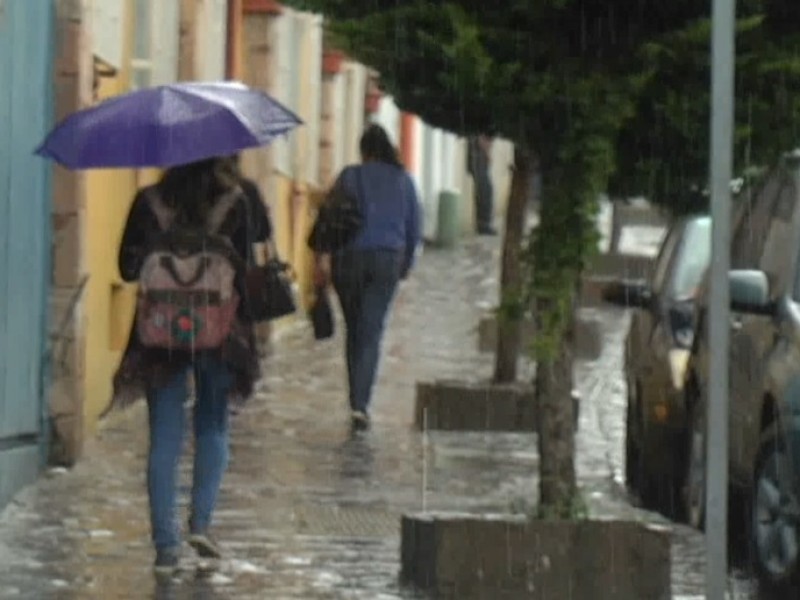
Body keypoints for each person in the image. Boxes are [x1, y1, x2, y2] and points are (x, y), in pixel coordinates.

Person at [110, 157, 260, 574]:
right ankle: (201, 521)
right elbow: (245, 271)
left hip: (160, 336)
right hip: (219, 332)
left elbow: (125, 267)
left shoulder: (149, 202)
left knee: (165, 436)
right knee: (213, 423)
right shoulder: (234, 202)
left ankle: (165, 545)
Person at [314, 124, 421, 431]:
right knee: (371, 331)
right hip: (387, 259)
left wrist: (322, 258)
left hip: (349, 259)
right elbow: (414, 227)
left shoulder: (350, 176)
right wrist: (406, 264)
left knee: (355, 328)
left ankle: (356, 400)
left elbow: (329, 219)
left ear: (365, 151)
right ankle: (361, 404)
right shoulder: (404, 181)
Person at [230, 154, 275, 356]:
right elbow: (263, 232)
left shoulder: (182, 190)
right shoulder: (247, 189)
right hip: (238, 276)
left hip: (190, 281)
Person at [467, 134, 496, 235]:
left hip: (477, 155)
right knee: (485, 190)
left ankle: (482, 223)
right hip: (478, 155)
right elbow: (481, 139)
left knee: (483, 190)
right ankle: (483, 224)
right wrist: (487, 153)